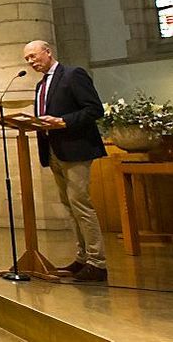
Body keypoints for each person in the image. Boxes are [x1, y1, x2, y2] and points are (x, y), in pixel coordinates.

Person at [23, 40, 107, 283]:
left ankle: (97, 262)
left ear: (48, 51)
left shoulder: (73, 75)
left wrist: (63, 121)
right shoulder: (41, 85)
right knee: (69, 206)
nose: (30, 61)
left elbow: (94, 110)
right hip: (54, 150)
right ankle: (82, 259)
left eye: (33, 56)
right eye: (27, 59)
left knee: (81, 203)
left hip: (76, 149)